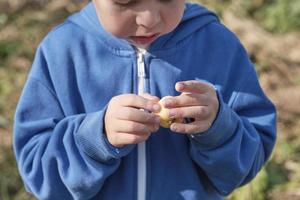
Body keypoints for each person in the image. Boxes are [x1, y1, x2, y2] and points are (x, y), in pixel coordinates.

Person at [13, 0, 277, 199]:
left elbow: (248, 163)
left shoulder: (218, 47)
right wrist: (95, 138)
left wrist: (218, 126)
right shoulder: (62, 51)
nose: (150, 19)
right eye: (126, 1)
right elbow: (37, 173)